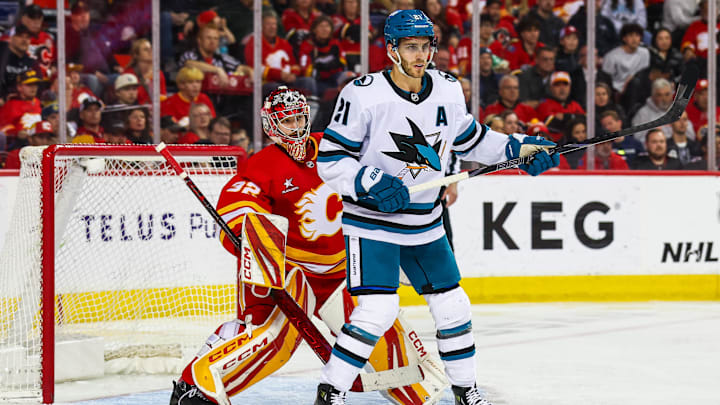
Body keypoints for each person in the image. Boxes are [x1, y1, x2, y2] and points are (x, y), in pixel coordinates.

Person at [315, 10, 559, 405]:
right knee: (377, 310)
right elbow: (331, 159)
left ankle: (466, 391)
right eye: (411, 46)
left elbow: (469, 138)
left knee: (453, 305)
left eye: (426, 46)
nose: (420, 55)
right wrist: (370, 181)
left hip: (425, 223)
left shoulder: (447, 87)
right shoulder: (361, 94)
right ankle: (331, 392)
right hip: (372, 222)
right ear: (391, 49)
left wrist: (517, 148)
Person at [169, 86, 446, 405]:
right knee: (272, 341)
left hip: (341, 268)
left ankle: (414, 392)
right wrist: (248, 230)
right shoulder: (262, 166)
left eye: (300, 117)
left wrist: (412, 182)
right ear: (271, 127)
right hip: (291, 271)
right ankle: (197, 388)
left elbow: (385, 162)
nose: (297, 126)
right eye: (287, 121)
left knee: (380, 336)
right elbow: (238, 206)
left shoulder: (335, 148)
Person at [602, 23, 650, 95]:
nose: (634, 39)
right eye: (631, 35)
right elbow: (606, 79)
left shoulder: (645, 53)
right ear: (624, 38)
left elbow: (644, 75)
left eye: (637, 35)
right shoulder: (612, 56)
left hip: (638, 88)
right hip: (617, 91)